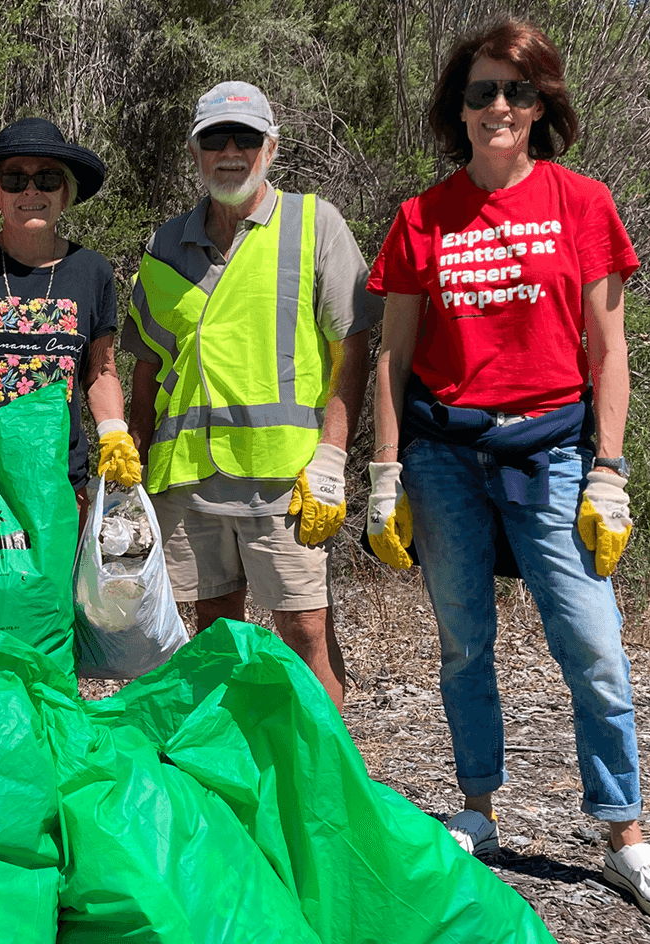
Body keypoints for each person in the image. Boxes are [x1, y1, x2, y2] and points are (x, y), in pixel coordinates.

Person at [362, 17, 650, 923]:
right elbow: (393, 357)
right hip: (442, 456)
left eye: (518, 90)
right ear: (458, 110)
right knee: (465, 642)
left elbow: (608, 347)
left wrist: (610, 469)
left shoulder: (581, 202)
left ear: (542, 103)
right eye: (482, 92)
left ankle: (623, 831)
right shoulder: (419, 218)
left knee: (591, 641)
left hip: (551, 452)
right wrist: (382, 471)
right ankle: (477, 810)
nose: (500, 106)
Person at [124, 82, 380, 705]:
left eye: (245, 138)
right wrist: (128, 469)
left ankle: (324, 792)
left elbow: (354, 350)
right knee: (216, 634)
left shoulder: (314, 224)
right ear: (195, 152)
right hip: (189, 478)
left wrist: (332, 459)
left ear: (271, 147)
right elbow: (148, 371)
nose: (230, 152)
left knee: (305, 633)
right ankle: (232, 780)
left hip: (285, 476)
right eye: (215, 138)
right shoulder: (165, 245)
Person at [0, 118, 137, 514]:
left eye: (47, 179)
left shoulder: (93, 271)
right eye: (14, 179)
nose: (31, 190)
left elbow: (100, 373)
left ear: (66, 192)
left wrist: (113, 431)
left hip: (61, 485)